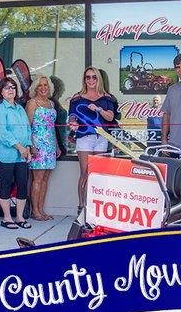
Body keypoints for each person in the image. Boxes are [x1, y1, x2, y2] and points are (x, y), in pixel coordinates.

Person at [68, 67, 115, 213]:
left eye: (94, 77)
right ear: (84, 80)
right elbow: (71, 116)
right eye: (88, 77)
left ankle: (96, 207)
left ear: (98, 79)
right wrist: (73, 123)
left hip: (101, 137)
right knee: (85, 173)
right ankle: (81, 207)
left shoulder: (107, 98)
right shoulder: (77, 98)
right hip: (84, 137)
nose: (91, 80)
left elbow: (110, 117)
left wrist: (98, 109)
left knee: (98, 173)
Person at [0, 77, 32, 230]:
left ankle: (20, 217)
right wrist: (20, 147)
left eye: (13, 87)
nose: (11, 90)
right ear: (1, 92)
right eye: (7, 87)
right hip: (6, 154)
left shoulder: (20, 109)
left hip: (22, 155)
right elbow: (3, 133)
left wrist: (27, 147)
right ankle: (7, 218)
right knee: (6, 185)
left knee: (22, 185)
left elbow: (27, 129)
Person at [26, 75, 60, 221]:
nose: (43, 88)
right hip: (38, 145)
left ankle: (41, 209)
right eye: (40, 85)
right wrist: (31, 145)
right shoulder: (32, 103)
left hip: (50, 145)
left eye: (45, 85)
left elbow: (53, 127)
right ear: (35, 88)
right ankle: (35, 211)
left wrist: (57, 146)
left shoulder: (51, 104)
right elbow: (27, 127)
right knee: (37, 179)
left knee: (45, 179)